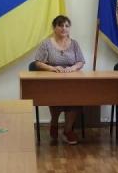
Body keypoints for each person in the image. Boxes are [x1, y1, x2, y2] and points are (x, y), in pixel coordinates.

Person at [33, 15, 86, 145]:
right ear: (54, 27)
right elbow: (38, 62)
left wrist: (73, 68)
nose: (64, 28)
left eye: (67, 26)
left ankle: (67, 130)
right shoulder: (46, 43)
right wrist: (52, 68)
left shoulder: (74, 44)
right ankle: (54, 122)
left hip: (72, 81)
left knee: (77, 100)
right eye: (60, 25)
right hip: (52, 81)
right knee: (56, 98)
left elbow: (81, 61)